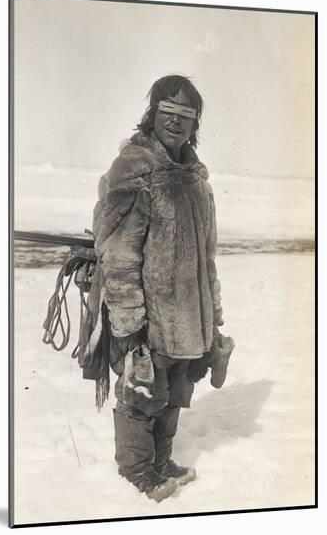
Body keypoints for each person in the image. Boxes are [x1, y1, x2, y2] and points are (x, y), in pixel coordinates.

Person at [78, 75, 233, 502]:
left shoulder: (196, 179)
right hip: (148, 314)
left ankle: (161, 461)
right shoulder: (134, 168)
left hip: (188, 313)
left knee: (175, 389)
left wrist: (212, 315)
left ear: (195, 123)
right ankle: (138, 472)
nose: (176, 122)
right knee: (142, 392)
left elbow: (207, 256)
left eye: (186, 115)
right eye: (169, 111)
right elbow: (120, 252)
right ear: (153, 113)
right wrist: (129, 321)